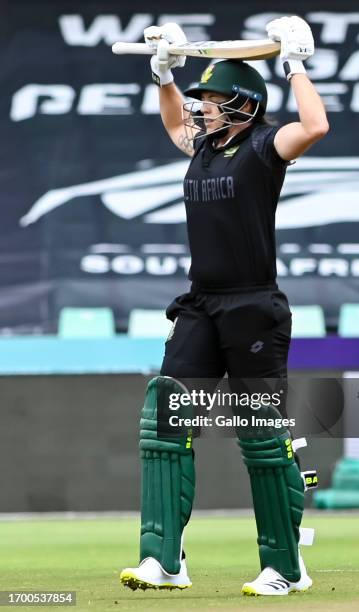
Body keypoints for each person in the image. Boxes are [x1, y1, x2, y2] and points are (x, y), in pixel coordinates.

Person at [121, 16, 329, 597]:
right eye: (200, 99)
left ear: (242, 104)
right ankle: (163, 561)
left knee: (260, 430)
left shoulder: (266, 146)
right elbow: (171, 121)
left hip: (254, 305)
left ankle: (286, 568)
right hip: (201, 303)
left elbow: (316, 125)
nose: (199, 109)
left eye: (210, 100)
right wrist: (163, 72)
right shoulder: (203, 148)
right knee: (165, 418)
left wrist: (294, 62)